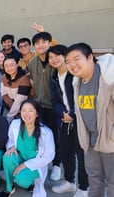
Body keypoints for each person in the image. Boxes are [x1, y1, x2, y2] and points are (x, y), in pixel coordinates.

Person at [66, 43, 114, 197]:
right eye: (68, 62)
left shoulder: (108, 77)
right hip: (90, 141)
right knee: (94, 179)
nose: (72, 65)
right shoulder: (77, 82)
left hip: (110, 141)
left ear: (90, 58)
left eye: (77, 59)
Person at [48, 45, 89, 196]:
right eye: (51, 57)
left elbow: (83, 98)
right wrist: (63, 113)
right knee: (66, 152)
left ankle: (84, 188)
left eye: (57, 56)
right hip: (64, 120)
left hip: (80, 120)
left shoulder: (76, 74)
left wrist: (73, 114)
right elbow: (55, 100)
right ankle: (70, 182)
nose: (54, 59)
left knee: (82, 154)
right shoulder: (53, 77)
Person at [0, 99, 55, 197]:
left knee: (22, 179)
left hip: (35, 164)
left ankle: (31, 183)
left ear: (37, 114)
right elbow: (11, 139)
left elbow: (48, 157)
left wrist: (25, 165)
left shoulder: (46, 132)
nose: (26, 114)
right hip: (19, 157)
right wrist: (11, 146)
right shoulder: (15, 124)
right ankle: (9, 187)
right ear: (20, 112)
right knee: (7, 157)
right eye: (24, 110)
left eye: (30, 110)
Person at [27, 31, 61, 181]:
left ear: (49, 43)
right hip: (38, 105)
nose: (40, 45)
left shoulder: (55, 60)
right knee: (40, 136)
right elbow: (33, 82)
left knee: (56, 136)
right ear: (34, 46)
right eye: (37, 43)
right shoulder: (32, 63)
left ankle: (57, 165)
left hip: (55, 106)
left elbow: (61, 50)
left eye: (44, 42)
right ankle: (44, 162)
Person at [1, 56, 31, 122]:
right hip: (9, 105)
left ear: (17, 65)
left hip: (22, 108)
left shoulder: (24, 79)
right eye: (6, 66)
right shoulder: (4, 77)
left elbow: (20, 100)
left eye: (11, 65)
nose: (9, 68)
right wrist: (10, 104)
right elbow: (3, 93)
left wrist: (9, 116)